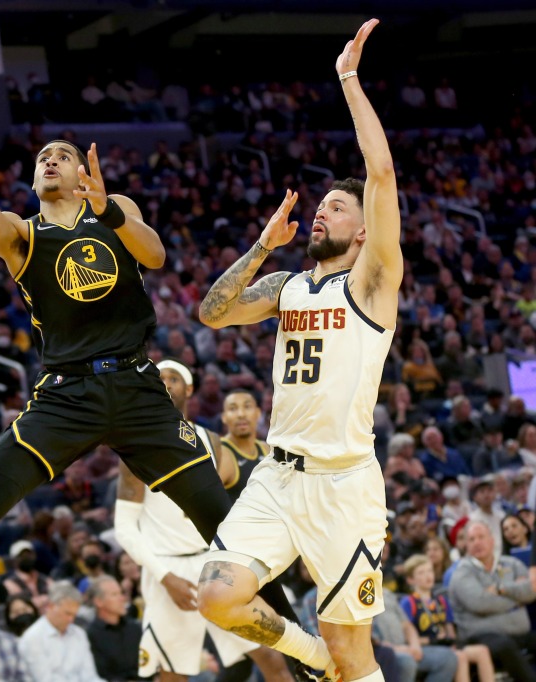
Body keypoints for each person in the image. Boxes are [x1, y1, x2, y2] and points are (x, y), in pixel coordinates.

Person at [0, 78, 294, 643]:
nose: (52, 160)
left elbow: (154, 255)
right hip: (65, 396)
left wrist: (109, 212)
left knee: (226, 528)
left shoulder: (116, 211)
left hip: (139, 392)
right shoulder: (20, 234)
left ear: (84, 174)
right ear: (35, 180)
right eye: (43, 157)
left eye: (63, 154)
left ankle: (300, 640)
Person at [196, 20, 402, 682]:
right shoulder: (288, 285)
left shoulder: (371, 282)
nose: (322, 212)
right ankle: (312, 659)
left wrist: (346, 78)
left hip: (344, 486)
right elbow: (212, 312)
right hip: (278, 478)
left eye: (337, 208)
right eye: (321, 205)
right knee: (218, 596)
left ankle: (335, 663)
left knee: (355, 653)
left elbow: (380, 170)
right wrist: (261, 248)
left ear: (363, 229)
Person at [115, 359, 291, 682]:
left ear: (189, 389)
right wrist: (165, 577)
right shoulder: (133, 445)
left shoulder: (211, 440)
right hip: (168, 569)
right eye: (159, 378)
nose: (165, 383)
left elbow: (224, 509)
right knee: (173, 674)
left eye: (173, 378)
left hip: (213, 564)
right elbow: (123, 528)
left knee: (270, 656)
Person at [448, 521, 536, 682]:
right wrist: (517, 601)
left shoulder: (511, 563)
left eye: (481, 537)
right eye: (472, 539)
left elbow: (531, 591)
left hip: (519, 634)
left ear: (492, 540)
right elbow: (480, 603)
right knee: (505, 645)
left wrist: (501, 589)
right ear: (466, 545)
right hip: (479, 637)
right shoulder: (462, 573)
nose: (477, 542)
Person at [399, 554, 495, 682]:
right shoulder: (408, 602)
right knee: (460, 657)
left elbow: (449, 630)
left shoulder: (441, 600)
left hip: (444, 643)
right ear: (410, 580)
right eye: (421, 573)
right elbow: (407, 636)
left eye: (430, 571)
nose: (428, 576)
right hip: (426, 646)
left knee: (482, 651)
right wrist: (432, 640)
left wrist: (452, 642)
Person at [17, 582, 102, 681]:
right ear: (50, 606)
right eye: (67, 613)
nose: (71, 620)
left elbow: (90, 676)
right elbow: (44, 679)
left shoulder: (79, 633)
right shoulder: (32, 638)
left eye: (74, 615)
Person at [83, 576, 141, 682]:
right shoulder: (90, 635)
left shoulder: (135, 628)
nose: (122, 598)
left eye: (121, 593)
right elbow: (101, 675)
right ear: (99, 602)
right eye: (114, 594)